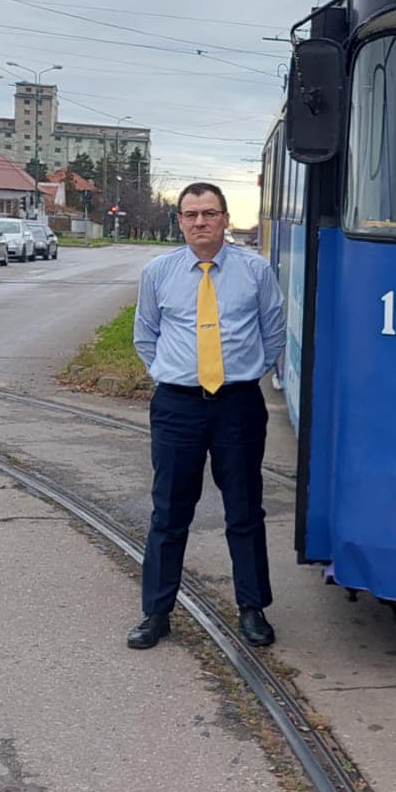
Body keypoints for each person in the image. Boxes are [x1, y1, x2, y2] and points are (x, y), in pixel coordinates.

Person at [128, 182, 286, 651]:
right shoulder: (158, 272)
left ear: (225, 219)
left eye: (210, 213)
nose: (201, 222)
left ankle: (253, 608)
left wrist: (247, 373)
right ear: (179, 221)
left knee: (244, 509)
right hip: (178, 406)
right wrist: (168, 374)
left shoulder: (255, 272)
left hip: (237, 404)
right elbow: (145, 335)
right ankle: (156, 613)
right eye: (191, 214)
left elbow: (272, 332)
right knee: (169, 512)